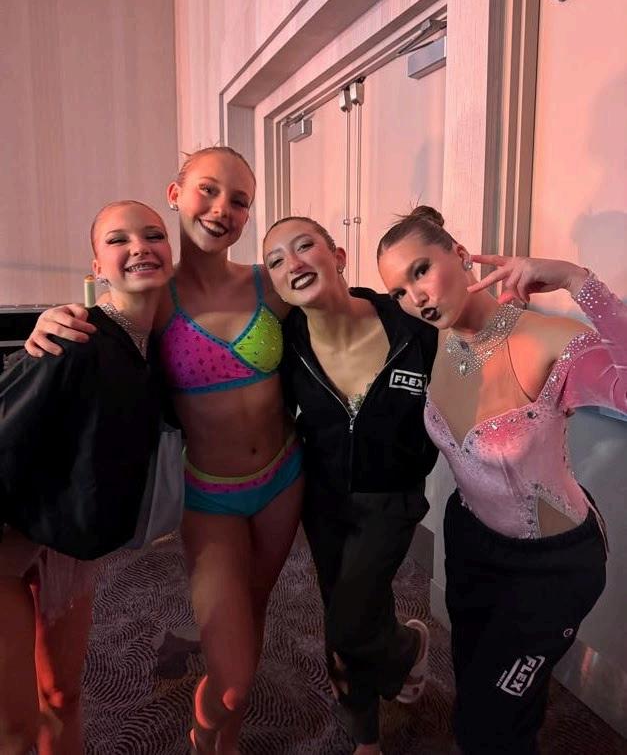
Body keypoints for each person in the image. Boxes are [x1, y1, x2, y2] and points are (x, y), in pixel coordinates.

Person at [24, 147, 304, 755]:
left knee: (254, 612)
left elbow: (346, 311)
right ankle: (207, 732)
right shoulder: (155, 294)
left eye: (239, 200)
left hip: (283, 479)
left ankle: (226, 741)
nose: (222, 208)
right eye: (208, 190)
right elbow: (101, 327)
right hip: (209, 495)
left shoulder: (269, 283)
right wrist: (48, 323)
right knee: (233, 679)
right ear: (175, 195)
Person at [376, 206, 626, 755]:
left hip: (550, 570)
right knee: (475, 683)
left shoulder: (546, 340)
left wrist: (576, 280)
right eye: (399, 292)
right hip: (470, 543)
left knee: (488, 725)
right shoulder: (435, 338)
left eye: (421, 270)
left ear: (461, 255)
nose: (416, 297)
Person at [0, 200, 173, 755]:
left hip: (65, 540)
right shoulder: (72, 338)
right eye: (119, 240)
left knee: (62, 694)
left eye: (153, 235)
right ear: (97, 266)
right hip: (6, 546)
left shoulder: (160, 343)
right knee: (14, 731)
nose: (140, 246)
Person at [262, 216, 437, 755]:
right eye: (275, 261)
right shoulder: (284, 344)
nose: (293, 263)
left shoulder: (410, 324)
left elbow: (475, 343)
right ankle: (365, 737)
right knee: (343, 607)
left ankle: (408, 646)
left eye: (304, 246)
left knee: (349, 620)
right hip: (324, 499)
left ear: (337, 256)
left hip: (393, 497)